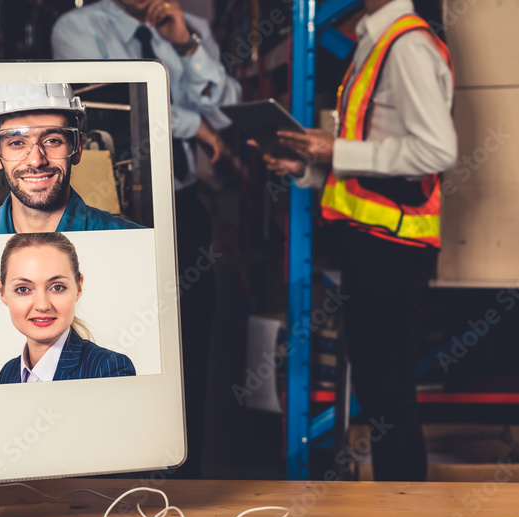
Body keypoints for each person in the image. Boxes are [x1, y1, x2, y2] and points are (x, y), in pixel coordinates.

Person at [262, 0, 456, 481]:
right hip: (371, 243)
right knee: (377, 392)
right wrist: (307, 166)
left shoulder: (406, 45)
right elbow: (371, 159)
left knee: (390, 394)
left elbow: (437, 149)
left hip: (394, 245)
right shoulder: (376, 42)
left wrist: (334, 148)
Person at [52, 0, 242, 477]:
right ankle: (111, 471)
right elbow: (110, 104)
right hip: (118, 209)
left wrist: (185, 44)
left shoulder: (190, 28)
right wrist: (191, 123)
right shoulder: (77, 28)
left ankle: (185, 470)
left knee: (190, 343)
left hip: (183, 205)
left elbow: (226, 105)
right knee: (115, 338)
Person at [0, 83, 142, 235]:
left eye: (52, 140)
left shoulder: (127, 240)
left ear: (77, 147)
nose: (36, 161)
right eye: (17, 142)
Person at [0, 232, 135, 383]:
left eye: (57, 287)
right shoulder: (7, 373)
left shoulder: (110, 369)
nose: (42, 306)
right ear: (2, 292)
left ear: (78, 287)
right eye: (23, 289)